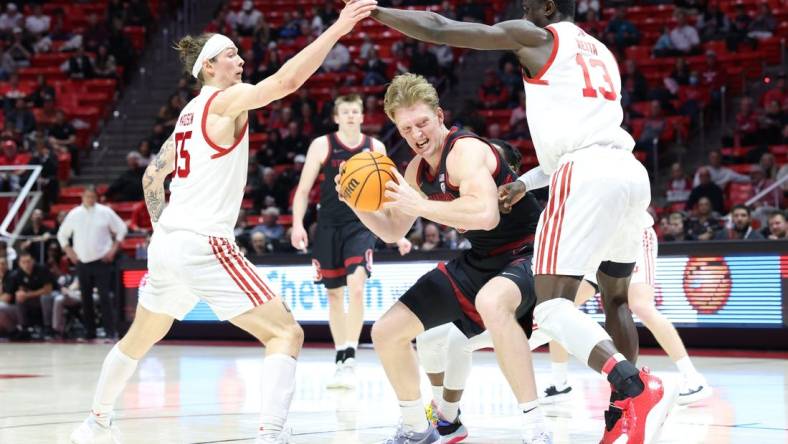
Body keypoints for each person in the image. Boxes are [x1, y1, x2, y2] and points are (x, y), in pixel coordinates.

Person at [367, 2, 676, 443]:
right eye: (406, 128)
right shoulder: (600, 51)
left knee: (551, 307)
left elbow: (439, 27)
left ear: (548, 8)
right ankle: (620, 413)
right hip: (626, 169)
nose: (521, 11)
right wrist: (526, 181)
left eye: (528, 6)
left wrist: (373, 11)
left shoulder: (538, 38)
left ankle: (634, 386)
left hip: (573, 186)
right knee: (617, 301)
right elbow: (586, 133)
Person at [68, 3, 376, 443]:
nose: (241, 60)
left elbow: (152, 176)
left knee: (140, 337)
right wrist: (339, 28)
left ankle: (95, 422)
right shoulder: (223, 100)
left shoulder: (187, 113)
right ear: (209, 66)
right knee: (285, 332)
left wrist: (166, 233)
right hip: (203, 242)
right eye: (231, 54)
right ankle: (271, 433)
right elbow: (287, 82)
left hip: (169, 242)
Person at [340, 73, 544, 443]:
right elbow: (392, 232)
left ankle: (536, 429)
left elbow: (486, 215)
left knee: (490, 301)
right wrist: (355, 202)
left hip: (530, 251)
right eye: (406, 129)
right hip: (483, 259)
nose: (417, 134)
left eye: (422, 123)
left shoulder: (465, 150)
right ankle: (418, 428)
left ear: (439, 115)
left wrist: (419, 204)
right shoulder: (415, 171)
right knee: (386, 331)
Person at [290, 93, 401, 389]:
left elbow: (388, 190)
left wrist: (396, 231)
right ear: (336, 117)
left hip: (361, 223)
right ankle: (340, 356)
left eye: (356, 111)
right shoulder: (322, 145)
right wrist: (297, 224)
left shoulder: (375, 147)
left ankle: (350, 356)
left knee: (357, 286)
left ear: (363, 116)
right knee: (334, 295)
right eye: (346, 112)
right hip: (327, 225)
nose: (351, 116)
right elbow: (303, 191)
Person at [542, 226, 711, 407]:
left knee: (641, 305)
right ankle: (560, 384)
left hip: (632, 233)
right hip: (599, 241)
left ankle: (693, 378)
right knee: (561, 305)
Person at [57, 187, 127, 340]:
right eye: (87, 196)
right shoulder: (74, 214)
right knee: (85, 298)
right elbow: (62, 235)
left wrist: (113, 249)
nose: (89, 199)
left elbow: (122, 229)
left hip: (102, 260)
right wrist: (69, 252)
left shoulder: (105, 212)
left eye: (92, 196)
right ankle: (90, 333)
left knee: (105, 297)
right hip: (82, 262)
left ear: (96, 197)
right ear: (82, 197)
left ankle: (110, 332)